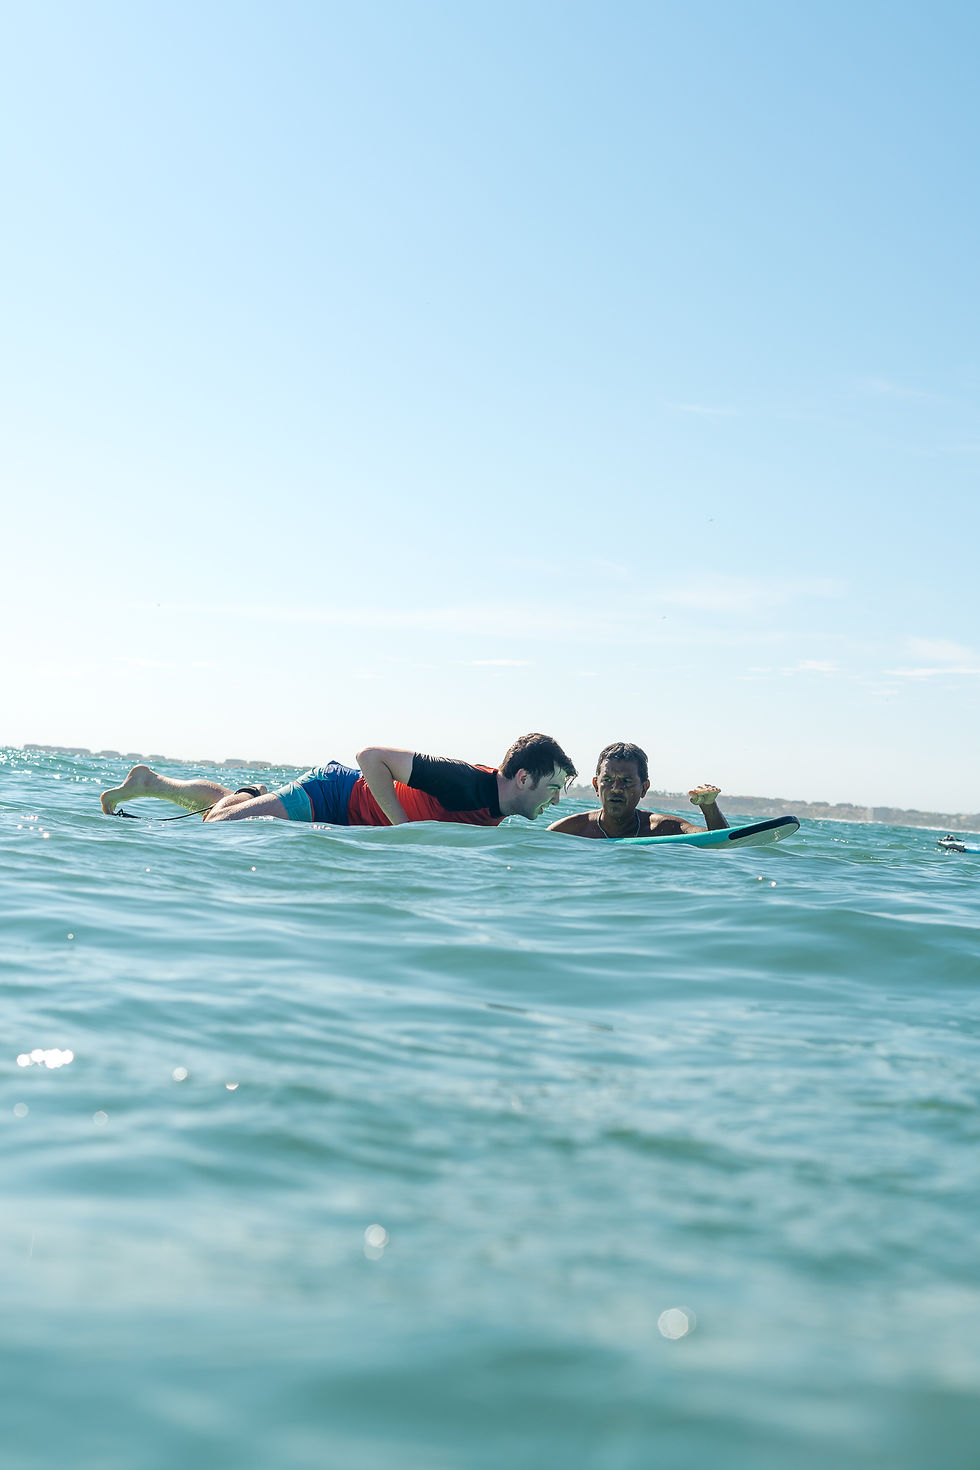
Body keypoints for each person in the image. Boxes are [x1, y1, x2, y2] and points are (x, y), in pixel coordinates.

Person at [100, 733, 577, 827]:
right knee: (218, 827)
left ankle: (152, 782)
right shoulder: (462, 781)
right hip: (331, 793)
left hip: (349, 817)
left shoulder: (496, 812)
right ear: (522, 777)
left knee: (225, 811)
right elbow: (371, 757)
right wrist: (399, 830)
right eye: (553, 789)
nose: (555, 801)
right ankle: (250, 796)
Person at [547, 741, 728, 840]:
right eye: (608, 780)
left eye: (626, 781)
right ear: (596, 786)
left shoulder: (662, 829)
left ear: (644, 788)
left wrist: (709, 806)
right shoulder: (569, 830)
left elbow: (722, 842)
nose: (616, 789)